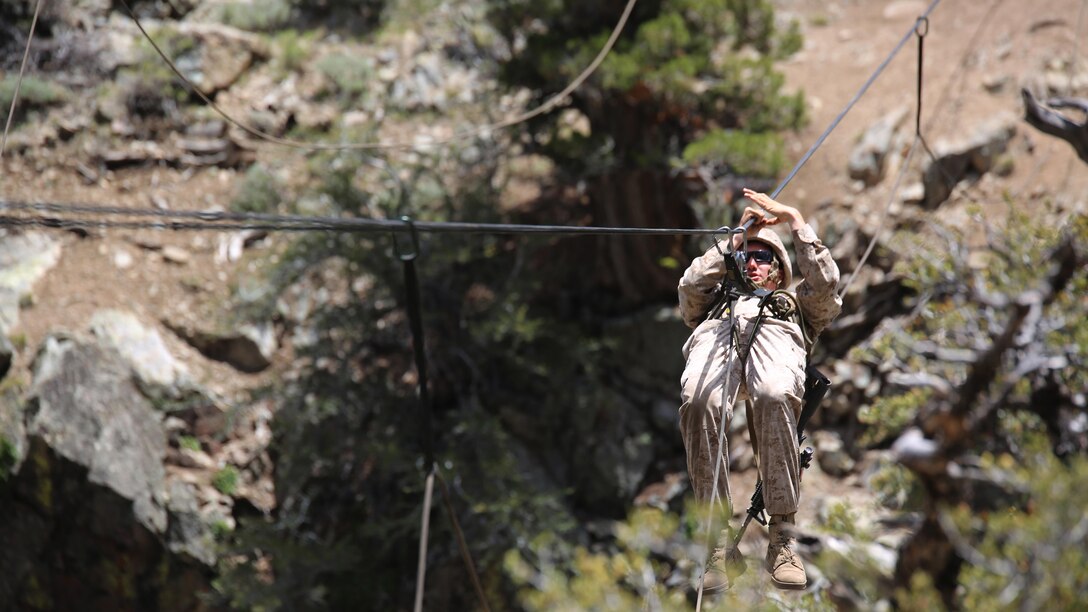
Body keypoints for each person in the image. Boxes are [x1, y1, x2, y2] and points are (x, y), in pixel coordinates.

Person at [677, 188, 842, 591]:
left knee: (773, 393)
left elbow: (825, 286)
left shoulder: (794, 305)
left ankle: (782, 538)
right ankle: (716, 543)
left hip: (774, 342)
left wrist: (795, 222)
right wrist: (732, 242)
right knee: (701, 401)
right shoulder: (716, 302)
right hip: (718, 338)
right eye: (744, 257)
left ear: (778, 268)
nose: (751, 262)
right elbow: (690, 288)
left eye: (761, 256)